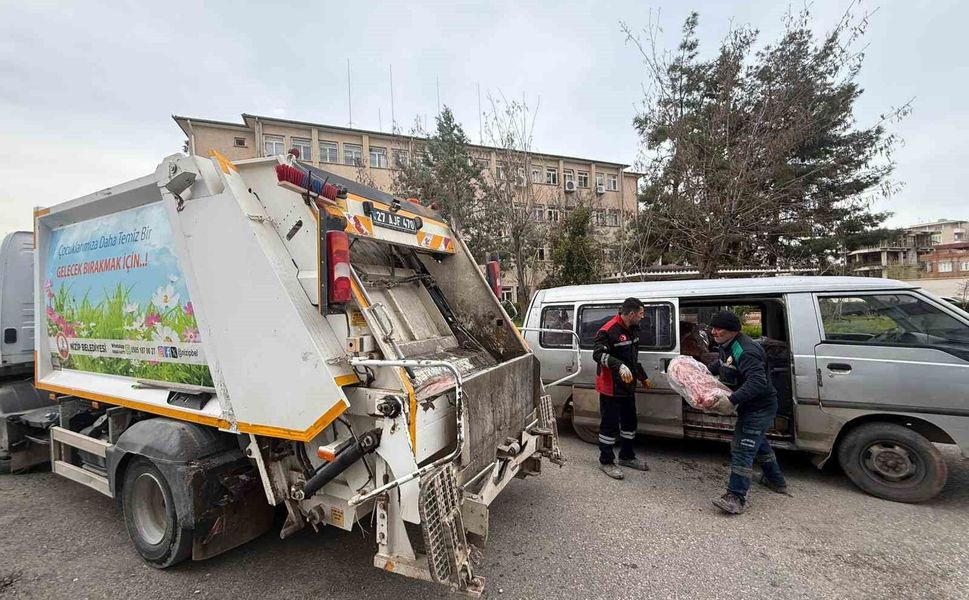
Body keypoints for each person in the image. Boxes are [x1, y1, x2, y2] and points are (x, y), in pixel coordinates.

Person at [706, 310, 788, 514]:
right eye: (712, 328)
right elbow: (722, 364)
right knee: (758, 442)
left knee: (743, 447)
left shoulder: (746, 350)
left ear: (732, 331)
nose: (714, 332)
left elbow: (757, 382)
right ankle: (775, 480)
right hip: (750, 405)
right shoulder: (727, 345)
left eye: (718, 329)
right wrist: (701, 370)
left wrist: (731, 400)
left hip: (759, 407)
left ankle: (735, 496)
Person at [592, 297, 652, 479]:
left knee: (629, 423)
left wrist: (642, 377)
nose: (642, 317)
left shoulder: (633, 330)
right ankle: (606, 461)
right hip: (611, 387)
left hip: (627, 386)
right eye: (641, 314)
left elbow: (632, 359)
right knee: (609, 426)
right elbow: (597, 354)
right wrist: (618, 365)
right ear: (632, 313)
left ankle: (626, 456)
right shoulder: (608, 330)